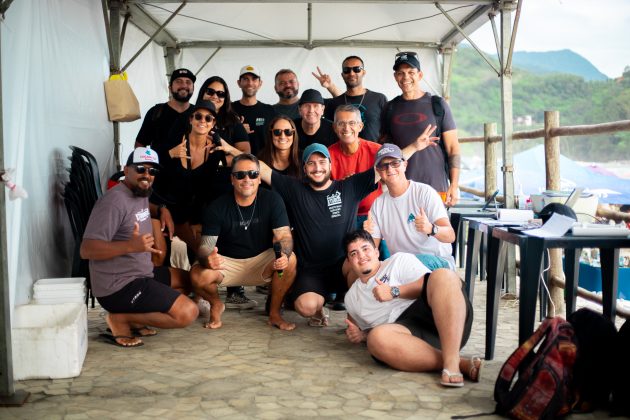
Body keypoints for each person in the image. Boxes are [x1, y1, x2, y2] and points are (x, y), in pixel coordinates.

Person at [218, 130, 437, 327]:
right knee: (305, 306)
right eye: (311, 164)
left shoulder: (349, 187)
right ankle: (319, 307)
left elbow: (386, 165)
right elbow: (261, 169)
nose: (317, 168)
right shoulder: (295, 189)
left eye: (322, 162)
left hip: (344, 265)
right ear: (304, 169)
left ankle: (363, 317)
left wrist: (415, 147)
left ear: (330, 165)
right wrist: (232, 150)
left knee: (363, 272)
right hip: (312, 270)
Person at [80, 147, 198, 348]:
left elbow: (144, 206)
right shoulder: (113, 202)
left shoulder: (139, 191)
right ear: (126, 170)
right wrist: (130, 246)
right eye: (141, 169)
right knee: (188, 313)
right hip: (118, 286)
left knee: (190, 280)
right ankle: (121, 319)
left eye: (152, 171)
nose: (147, 175)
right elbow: (87, 249)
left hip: (141, 273)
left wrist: (162, 210)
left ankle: (136, 319)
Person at [342, 229, 480, 387]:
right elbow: (365, 330)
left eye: (365, 249)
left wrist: (394, 291)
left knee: (443, 275)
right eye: (354, 253)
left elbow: (433, 285)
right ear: (349, 262)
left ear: (376, 252)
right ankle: (457, 362)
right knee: (376, 338)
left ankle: (451, 362)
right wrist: (362, 335)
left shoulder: (398, 261)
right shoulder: (351, 298)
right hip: (407, 336)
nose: (361, 256)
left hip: (438, 315)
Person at [190, 154, 297, 330]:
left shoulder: (273, 200)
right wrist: (207, 258)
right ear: (232, 179)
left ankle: (274, 314)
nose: (247, 179)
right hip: (226, 264)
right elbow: (204, 247)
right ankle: (216, 304)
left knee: (290, 260)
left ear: (259, 179)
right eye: (240, 175)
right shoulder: (217, 207)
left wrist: (284, 254)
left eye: (253, 174)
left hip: (261, 262)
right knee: (197, 275)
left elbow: (284, 236)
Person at [380, 51, 461, 206]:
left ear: (420, 75)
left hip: (436, 188)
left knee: (436, 230)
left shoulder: (437, 104)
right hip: (400, 189)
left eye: (411, 72)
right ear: (395, 77)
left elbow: (453, 148)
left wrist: (454, 185)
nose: (405, 78)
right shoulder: (389, 108)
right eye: (401, 73)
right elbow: (385, 149)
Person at [365, 143, 456, 270]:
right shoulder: (378, 204)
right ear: (379, 171)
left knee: (398, 264)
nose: (390, 169)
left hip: (438, 262)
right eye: (384, 166)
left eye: (395, 163)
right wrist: (367, 236)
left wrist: (431, 228)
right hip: (403, 267)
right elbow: (372, 249)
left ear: (405, 165)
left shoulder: (425, 192)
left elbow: (451, 236)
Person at [314, 56, 387, 141]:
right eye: (346, 70)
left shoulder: (379, 99)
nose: (351, 73)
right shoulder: (334, 103)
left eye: (357, 69)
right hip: (342, 153)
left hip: (373, 152)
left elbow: (388, 130)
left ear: (363, 72)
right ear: (342, 75)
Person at [135, 68, 195, 153]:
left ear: (193, 88)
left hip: (192, 166)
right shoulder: (156, 112)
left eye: (188, 82)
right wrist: (145, 162)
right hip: (159, 166)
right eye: (178, 81)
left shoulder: (199, 114)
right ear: (170, 88)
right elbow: (140, 144)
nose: (184, 85)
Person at [232, 65, 277, 155]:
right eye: (245, 79)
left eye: (254, 79)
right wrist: (237, 130)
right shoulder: (229, 109)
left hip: (264, 165)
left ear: (260, 83)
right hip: (235, 165)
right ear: (239, 83)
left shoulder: (270, 111)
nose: (250, 83)